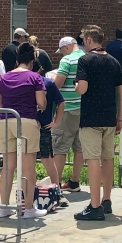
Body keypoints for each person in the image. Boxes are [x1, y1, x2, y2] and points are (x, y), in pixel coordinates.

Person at [74, 26, 122, 221]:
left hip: (91, 119)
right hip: (109, 118)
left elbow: (82, 88)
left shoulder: (85, 60)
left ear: (89, 40)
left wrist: (76, 85)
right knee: (108, 159)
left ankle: (94, 206)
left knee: (93, 160)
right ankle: (107, 201)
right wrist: (119, 117)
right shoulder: (113, 61)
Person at [0, 42, 48, 219]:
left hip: (5, 121)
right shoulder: (35, 77)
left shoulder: (4, 78)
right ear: (32, 62)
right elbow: (41, 103)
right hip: (26, 120)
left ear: (17, 60)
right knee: (28, 167)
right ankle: (29, 209)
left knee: (7, 167)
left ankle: (4, 207)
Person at [51, 35, 86, 194]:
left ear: (66, 47)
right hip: (84, 108)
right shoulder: (87, 58)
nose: (62, 54)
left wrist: (52, 79)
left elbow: (58, 84)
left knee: (60, 147)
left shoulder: (67, 60)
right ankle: (74, 181)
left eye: (62, 51)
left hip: (68, 109)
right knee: (79, 147)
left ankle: (56, 185)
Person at [36, 64, 66, 210]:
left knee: (45, 159)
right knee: (47, 159)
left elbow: (61, 102)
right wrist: (56, 122)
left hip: (39, 126)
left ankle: (56, 191)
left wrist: (56, 122)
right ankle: (56, 191)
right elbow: (61, 103)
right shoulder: (47, 82)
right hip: (41, 125)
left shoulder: (47, 83)